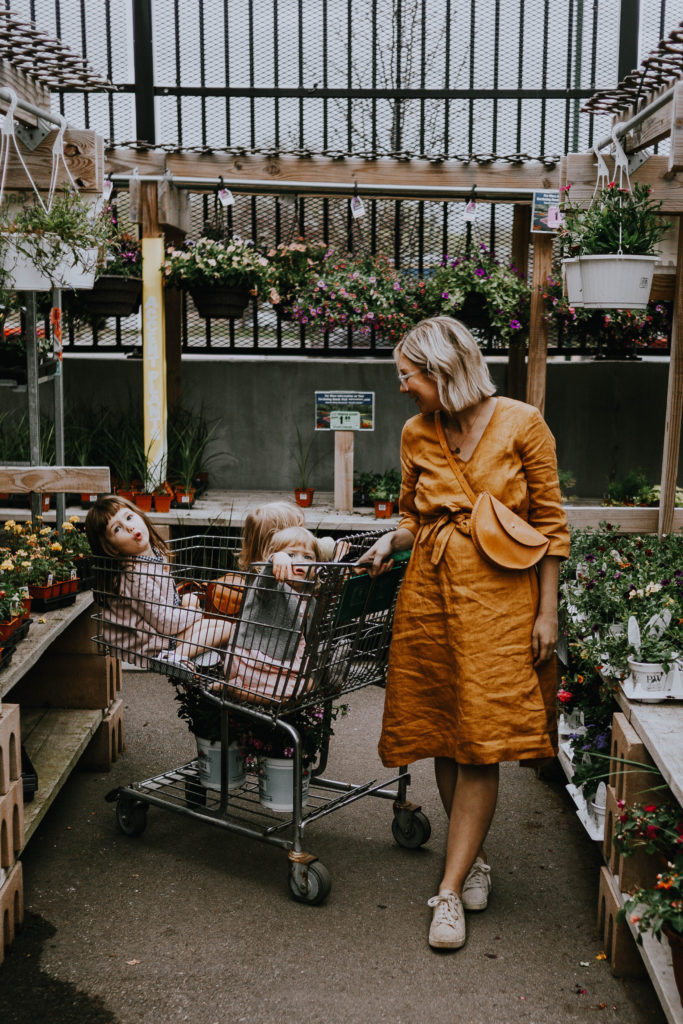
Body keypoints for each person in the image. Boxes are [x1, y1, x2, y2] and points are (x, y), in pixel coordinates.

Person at [359, 316, 570, 951]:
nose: (402, 387)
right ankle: (470, 859)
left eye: (408, 375)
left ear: (443, 371)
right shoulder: (415, 432)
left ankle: (446, 892)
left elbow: (552, 525)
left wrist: (547, 613)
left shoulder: (522, 423)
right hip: (429, 594)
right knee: (446, 733)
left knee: (481, 738)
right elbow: (409, 515)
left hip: (501, 600)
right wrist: (387, 540)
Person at [85, 495, 234, 668]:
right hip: (151, 643)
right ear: (110, 548)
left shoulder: (154, 555)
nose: (129, 527)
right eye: (117, 529)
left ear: (139, 515)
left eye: (129, 517)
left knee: (220, 628)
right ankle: (175, 658)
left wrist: (185, 603)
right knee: (226, 629)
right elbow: (165, 623)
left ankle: (195, 661)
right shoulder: (135, 576)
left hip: (161, 631)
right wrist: (194, 611)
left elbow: (161, 607)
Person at [224, 525, 323, 705]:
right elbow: (266, 580)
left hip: (281, 663)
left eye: (307, 557)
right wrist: (276, 559)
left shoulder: (309, 599)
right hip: (253, 659)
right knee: (289, 698)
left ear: (315, 568)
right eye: (291, 555)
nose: (299, 561)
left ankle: (251, 691)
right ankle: (234, 690)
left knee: (310, 686)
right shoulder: (272, 587)